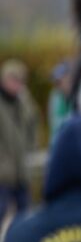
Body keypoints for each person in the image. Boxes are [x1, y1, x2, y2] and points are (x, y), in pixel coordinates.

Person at [0, 59, 40, 224]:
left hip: (21, 169)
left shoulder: (24, 103)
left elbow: (32, 125)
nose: (17, 85)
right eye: (14, 80)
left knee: (25, 214)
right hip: (3, 170)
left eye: (20, 81)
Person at [47, 60, 73, 145]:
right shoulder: (56, 96)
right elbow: (55, 126)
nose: (57, 85)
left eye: (59, 81)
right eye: (56, 82)